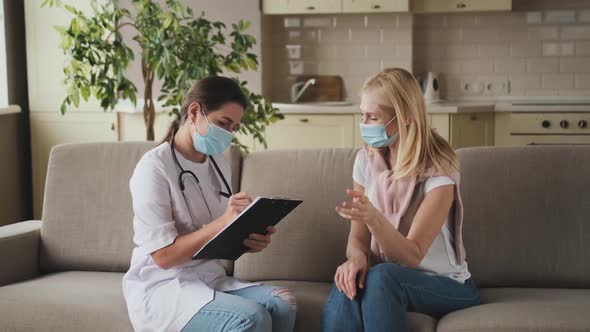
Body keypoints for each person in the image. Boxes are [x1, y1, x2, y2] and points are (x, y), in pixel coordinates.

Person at [122, 76, 296, 332]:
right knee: (251, 318)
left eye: (234, 127)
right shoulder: (154, 167)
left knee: (283, 303)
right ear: (195, 111)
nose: (228, 134)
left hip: (207, 277)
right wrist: (224, 221)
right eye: (223, 123)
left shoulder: (217, 161)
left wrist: (247, 238)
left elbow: (216, 237)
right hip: (164, 285)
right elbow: (163, 257)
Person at [321, 68, 480, 332]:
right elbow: (357, 240)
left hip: (446, 285)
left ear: (405, 117)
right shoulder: (366, 160)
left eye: (373, 117)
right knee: (349, 280)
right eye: (362, 115)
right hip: (386, 282)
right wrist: (357, 258)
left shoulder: (439, 168)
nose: (364, 124)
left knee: (381, 275)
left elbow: (412, 255)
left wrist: (373, 217)